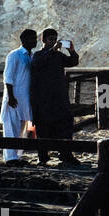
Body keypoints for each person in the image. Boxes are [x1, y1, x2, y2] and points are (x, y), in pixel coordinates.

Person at [29, 29, 83, 167]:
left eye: (55, 39)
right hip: (43, 99)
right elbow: (38, 64)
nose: (53, 42)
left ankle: (65, 154)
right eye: (50, 39)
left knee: (65, 124)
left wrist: (71, 50)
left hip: (59, 98)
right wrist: (52, 50)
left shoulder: (58, 56)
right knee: (43, 127)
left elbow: (73, 62)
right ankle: (43, 157)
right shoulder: (38, 55)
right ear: (44, 40)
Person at [0, 29, 37, 166]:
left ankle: (17, 157)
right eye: (32, 38)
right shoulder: (14, 55)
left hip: (25, 99)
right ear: (23, 40)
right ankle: (10, 158)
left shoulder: (31, 56)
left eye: (35, 38)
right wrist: (10, 96)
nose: (35, 41)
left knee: (21, 128)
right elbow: (8, 77)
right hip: (14, 98)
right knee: (11, 127)